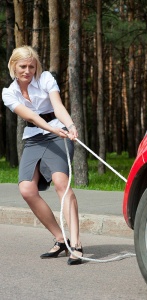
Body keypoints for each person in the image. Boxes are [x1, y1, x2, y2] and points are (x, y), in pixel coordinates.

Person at [2, 45, 83, 265]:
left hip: (59, 133)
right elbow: (30, 116)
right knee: (26, 189)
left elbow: (57, 106)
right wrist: (50, 129)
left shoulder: (46, 78)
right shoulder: (8, 93)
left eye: (31, 66)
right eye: (23, 66)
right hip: (34, 137)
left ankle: (75, 244)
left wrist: (70, 125)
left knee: (60, 182)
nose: (27, 70)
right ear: (13, 66)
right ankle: (60, 238)